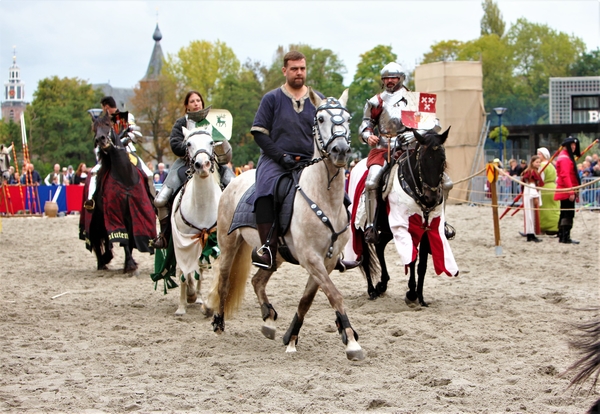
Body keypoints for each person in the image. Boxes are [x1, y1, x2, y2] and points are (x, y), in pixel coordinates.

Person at [358, 62, 453, 243]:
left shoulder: (414, 99)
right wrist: (367, 135)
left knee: (446, 183)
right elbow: (366, 124)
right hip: (384, 149)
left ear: (401, 78)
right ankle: (371, 226)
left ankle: (442, 222)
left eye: (393, 77)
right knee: (372, 182)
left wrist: (415, 135)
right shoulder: (375, 101)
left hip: (412, 149)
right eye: (386, 78)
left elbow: (435, 124)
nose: (389, 81)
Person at [249, 51, 324, 270]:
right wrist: (281, 156)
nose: (299, 72)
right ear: (285, 71)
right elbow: (260, 133)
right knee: (264, 191)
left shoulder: (317, 98)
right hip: (275, 160)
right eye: (294, 69)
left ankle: (335, 248)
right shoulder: (271, 98)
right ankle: (268, 250)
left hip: (310, 161)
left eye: (302, 68)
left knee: (338, 193)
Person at [151, 91, 234, 249]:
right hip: (185, 163)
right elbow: (175, 144)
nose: (196, 103)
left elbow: (226, 150)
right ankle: (164, 235)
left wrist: (221, 144)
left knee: (237, 190)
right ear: (187, 106)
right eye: (192, 101)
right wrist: (194, 147)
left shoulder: (212, 122)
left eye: (198, 100)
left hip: (212, 163)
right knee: (161, 199)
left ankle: (238, 230)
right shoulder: (181, 123)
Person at [554, 136, 581, 244]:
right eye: (572, 145)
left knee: (565, 213)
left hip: (567, 189)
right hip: (566, 190)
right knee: (568, 214)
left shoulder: (565, 157)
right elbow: (565, 176)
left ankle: (562, 235)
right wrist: (571, 191)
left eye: (575, 145)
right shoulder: (565, 158)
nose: (574, 147)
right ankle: (565, 237)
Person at [521, 155, 544, 242]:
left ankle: (531, 234)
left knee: (531, 214)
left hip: (530, 193)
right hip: (530, 193)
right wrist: (535, 197)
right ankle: (530, 234)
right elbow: (531, 184)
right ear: (532, 163)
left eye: (539, 162)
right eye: (536, 162)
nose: (538, 164)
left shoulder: (533, 171)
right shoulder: (531, 172)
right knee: (530, 214)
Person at [537, 147, 559, 235]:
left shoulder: (542, 166)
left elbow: (541, 179)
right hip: (553, 187)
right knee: (553, 208)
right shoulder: (551, 165)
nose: (538, 156)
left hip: (545, 188)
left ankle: (545, 227)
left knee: (544, 209)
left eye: (539, 154)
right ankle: (555, 226)